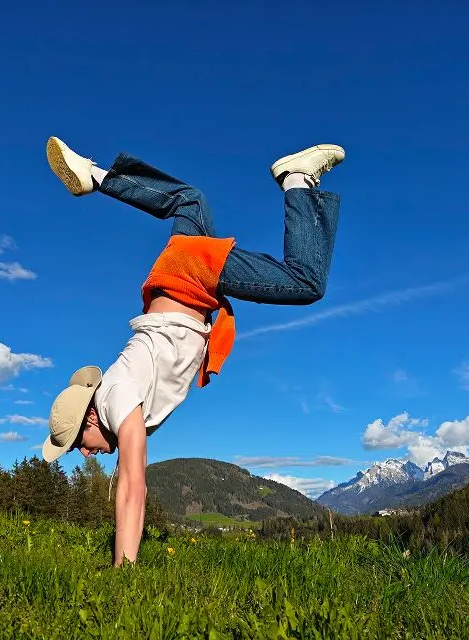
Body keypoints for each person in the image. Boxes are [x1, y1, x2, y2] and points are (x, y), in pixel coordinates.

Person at [41, 137, 344, 565]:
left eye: (79, 443)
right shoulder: (116, 393)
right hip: (173, 278)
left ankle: (297, 179)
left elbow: (132, 486)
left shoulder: (116, 400)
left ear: (90, 418)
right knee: (190, 200)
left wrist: (122, 571)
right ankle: (94, 175)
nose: (87, 453)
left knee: (305, 281)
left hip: (190, 278)